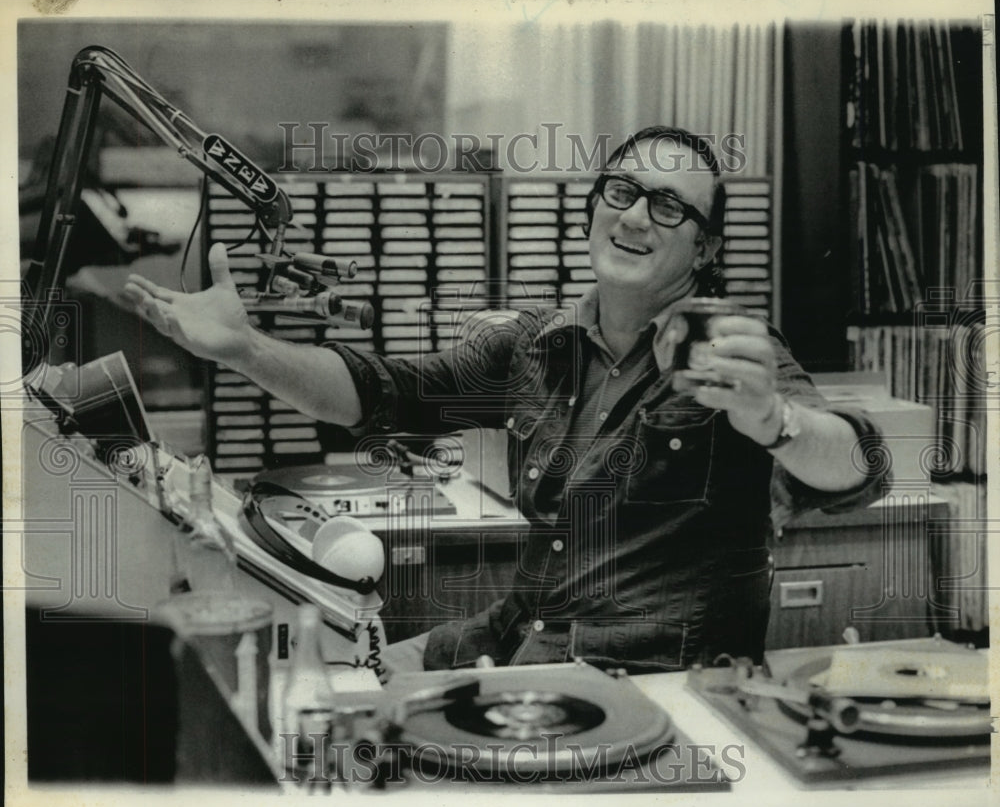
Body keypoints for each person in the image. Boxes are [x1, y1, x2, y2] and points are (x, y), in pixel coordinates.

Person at [125, 125, 888, 674]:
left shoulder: (730, 355)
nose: (632, 216)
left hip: (655, 692)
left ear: (707, 246)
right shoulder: (531, 344)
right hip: (517, 644)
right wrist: (247, 348)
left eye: (667, 205)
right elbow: (384, 393)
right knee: (331, 686)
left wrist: (776, 421)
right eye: (621, 191)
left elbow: (860, 465)